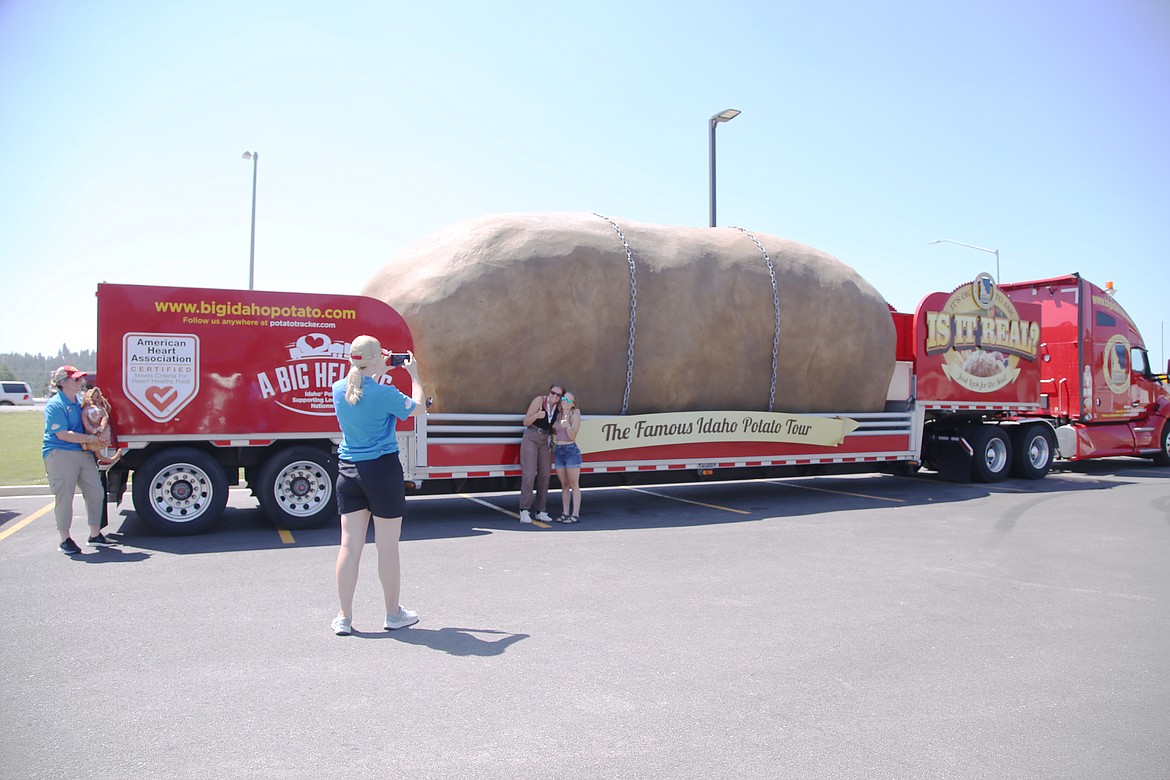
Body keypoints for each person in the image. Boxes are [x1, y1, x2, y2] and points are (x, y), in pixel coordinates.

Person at [330, 335, 425, 636]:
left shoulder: (338, 389)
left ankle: (344, 617)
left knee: (349, 546)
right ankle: (393, 614)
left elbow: (361, 379)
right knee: (387, 547)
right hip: (382, 472)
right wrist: (414, 375)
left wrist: (375, 362)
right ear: (377, 360)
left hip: (348, 472)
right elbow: (419, 408)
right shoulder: (386, 393)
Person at [42, 365, 112, 554]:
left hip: (83, 453)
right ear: (63, 382)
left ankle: (95, 535)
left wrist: (101, 431)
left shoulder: (81, 403)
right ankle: (65, 540)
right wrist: (90, 439)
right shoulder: (55, 404)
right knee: (65, 495)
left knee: (96, 492)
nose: (81, 381)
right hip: (60, 452)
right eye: (76, 379)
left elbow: (90, 424)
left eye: (80, 378)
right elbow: (62, 434)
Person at [518, 383, 563, 524]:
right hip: (532, 436)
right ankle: (524, 509)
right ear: (548, 392)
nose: (554, 396)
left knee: (545, 475)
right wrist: (538, 415)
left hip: (546, 439)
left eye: (558, 395)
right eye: (552, 393)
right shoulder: (540, 401)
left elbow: (560, 424)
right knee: (530, 474)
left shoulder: (560, 407)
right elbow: (526, 422)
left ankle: (541, 510)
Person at [80, 386, 119, 529]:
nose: (96, 399)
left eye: (98, 396)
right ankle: (95, 531)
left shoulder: (101, 409)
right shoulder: (86, 410)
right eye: (94, 397)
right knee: (94, 492)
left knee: (95, 492)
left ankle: (95, 532)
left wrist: (101, 429)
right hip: (91, 438)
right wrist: (92, 432)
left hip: (99, 435)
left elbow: (106, 416)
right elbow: (86, 422)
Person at [553, 391, 583, 523]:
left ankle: (575, 514)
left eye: (569, 401)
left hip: (571, 450)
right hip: (559, 450)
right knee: (564, 485)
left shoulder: (574, 416)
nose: (565, 402)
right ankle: (565, 513)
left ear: (573, 404)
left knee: (573, 484)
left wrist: (568, 427)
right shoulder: (558, 415)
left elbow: (572, 436)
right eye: (564, 399)